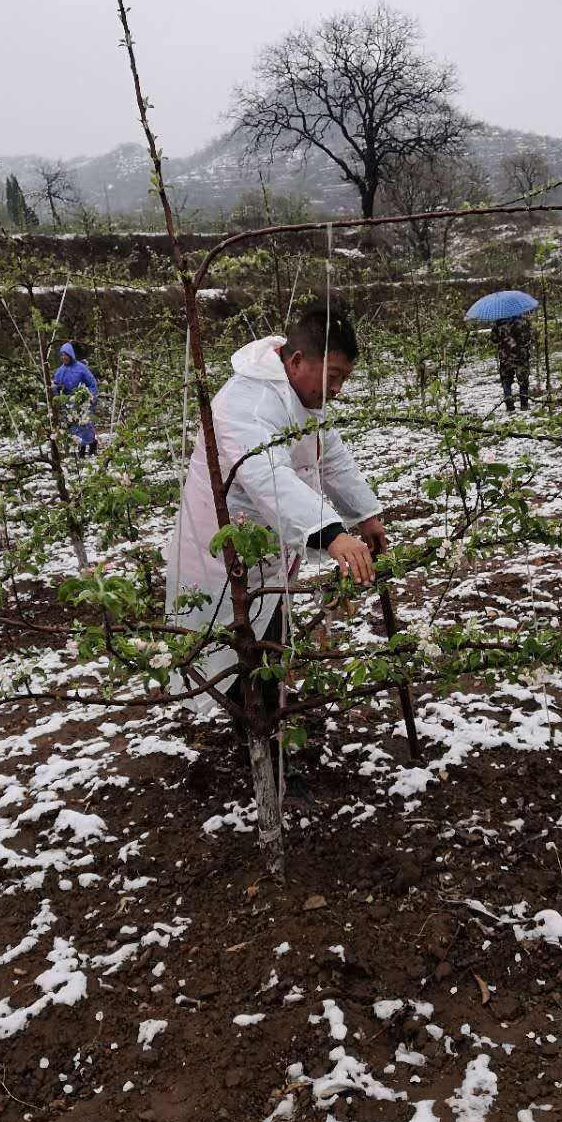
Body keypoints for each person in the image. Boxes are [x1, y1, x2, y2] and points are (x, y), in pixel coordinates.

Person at [165, 306, 385, 811]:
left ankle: (268, 722)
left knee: (271, 639)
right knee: (240, 647)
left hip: (267, 549)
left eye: (345, 379)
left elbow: (328, 455)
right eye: (334, 376)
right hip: (222, 552)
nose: (337, 390)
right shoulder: (246, 402)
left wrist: (365, 514)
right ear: (297, 360)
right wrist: (331, 533)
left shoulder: (301, 397)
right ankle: (264, 750)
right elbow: (267, 476)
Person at [52, 342, 99, 456]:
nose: (64, 357)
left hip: (83, 401)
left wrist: (90, 396)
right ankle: (81, 448)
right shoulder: (60, 371)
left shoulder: (81, 368)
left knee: (86, 425)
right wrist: (57, 392)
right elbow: (55, 386)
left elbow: (92, 383)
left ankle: (92, 444)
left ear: (71, 355)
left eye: (66, 355)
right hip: (69, 404)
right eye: (62, 355)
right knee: (74, 427)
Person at [491, 314, 534, 412]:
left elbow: (494, 340)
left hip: (505, 358)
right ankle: (524, 404)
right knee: (523, 381)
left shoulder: (498, 323)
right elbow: (529, 336)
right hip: (521, 357)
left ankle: (509, 404)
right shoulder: (523, 321)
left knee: (506, 381)